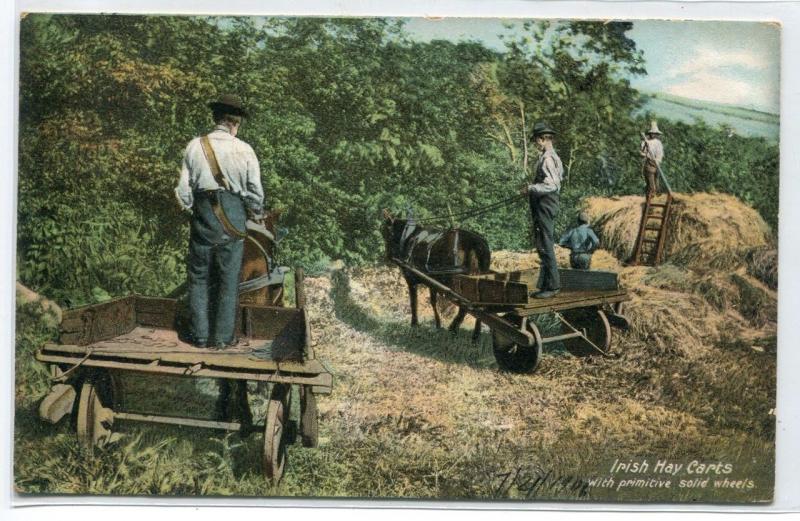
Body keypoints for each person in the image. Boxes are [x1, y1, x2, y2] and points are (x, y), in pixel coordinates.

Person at [175, 94, 265, 349]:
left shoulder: (195, 146)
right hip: (233, 218)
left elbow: (183, 191)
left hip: (203, 217)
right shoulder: (244, 149)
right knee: (228, 279)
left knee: (198, 277)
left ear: (216, 119)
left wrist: (193, 211)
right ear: (235, 123)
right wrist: (255, 212)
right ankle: (223, 339)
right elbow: (255, 191)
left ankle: (199, 337)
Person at [521, 122, 564, 299]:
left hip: (546, 204)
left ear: (542, 139)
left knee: (545, 244)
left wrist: (531, 188)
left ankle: (552, 286)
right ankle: (546, 284)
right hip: (546, 204)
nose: (535, 145)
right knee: (542, 243)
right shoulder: (551, 157)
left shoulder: (547, 158)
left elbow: (551, 185)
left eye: (536, 141)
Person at [640, 121, 664, 197]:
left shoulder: (658, 142)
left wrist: (657, 161)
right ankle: (651, 193)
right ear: (650, 133)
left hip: (656, 162)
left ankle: (657, 192)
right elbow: (642, 153)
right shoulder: (645, 142)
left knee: (656, 178)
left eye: (655, 133)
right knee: (650, 179)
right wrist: (646, 155)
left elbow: (660, 153)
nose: (653, 135)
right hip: (649, 162)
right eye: (652, 133)